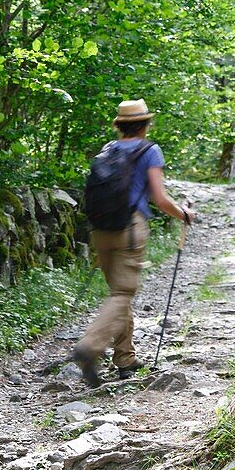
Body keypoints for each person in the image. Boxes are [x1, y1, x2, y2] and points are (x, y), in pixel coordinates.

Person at [72, 98, 195, 386]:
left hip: (100, 229)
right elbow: (161, 199)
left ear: (120, 125)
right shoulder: (149, 151)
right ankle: (89, 348)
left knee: (118, 292)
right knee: (123, 294)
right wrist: (185, 214)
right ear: (145, 124)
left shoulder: (108, 151)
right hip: (130, 228)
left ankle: (125, 359)